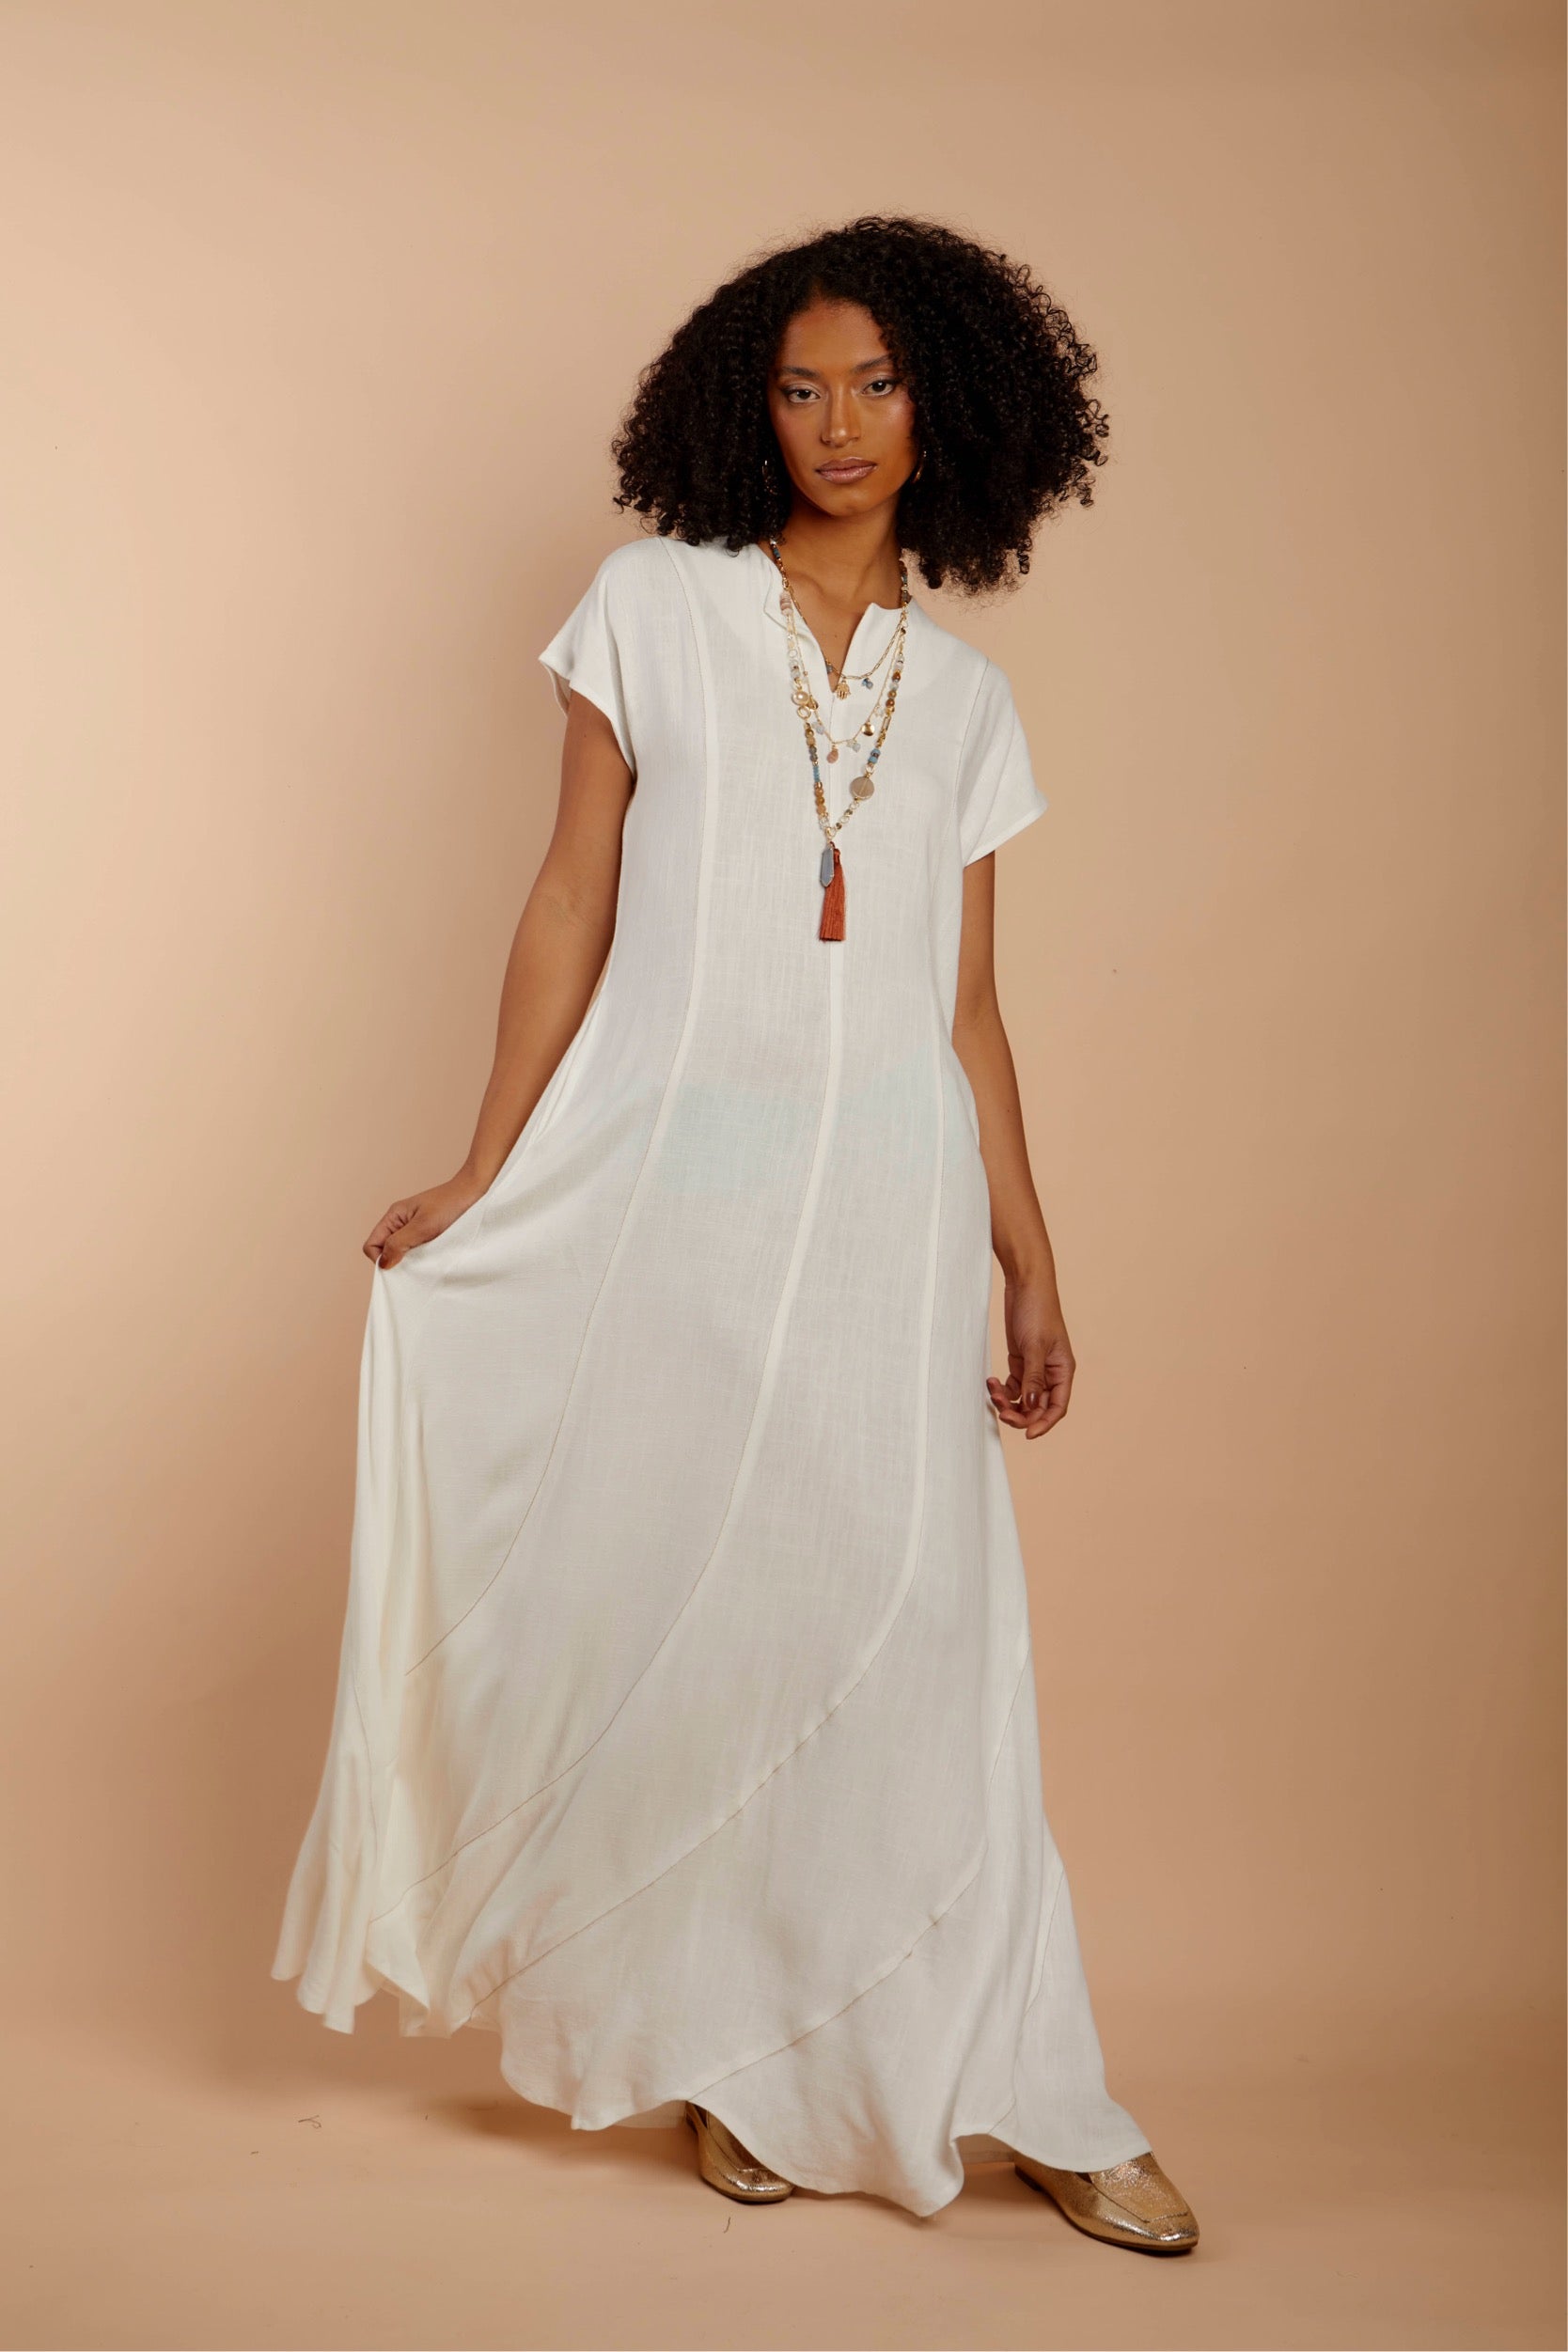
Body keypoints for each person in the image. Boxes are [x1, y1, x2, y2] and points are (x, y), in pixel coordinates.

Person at [272, 214, 1199, 2250]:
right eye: (799, 386)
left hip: (891, 1218)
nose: (838, 423)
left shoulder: (970, 703)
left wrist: (1031, 1254)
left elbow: (965, 1006)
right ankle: (723, 2052)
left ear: (950, 407)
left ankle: (1035, 2078)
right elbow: (569, 899)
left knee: (928, 1644)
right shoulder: (653, 607)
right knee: (706, 1620)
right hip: (682, 1200)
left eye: (876, 382)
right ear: (743, 406)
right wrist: (487, 1165)